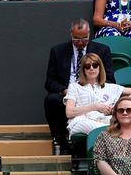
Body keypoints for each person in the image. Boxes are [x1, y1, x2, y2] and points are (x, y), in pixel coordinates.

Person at [44, 20, 115, 149]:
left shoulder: (102, 50)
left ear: (89, 34)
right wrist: (66, 91)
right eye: (77, 39)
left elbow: (110, 79)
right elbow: (50, 82)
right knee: (51, 99)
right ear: (71, 34)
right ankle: (59, 139)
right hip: (68, 93)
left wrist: (93, 89)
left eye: (84, 38)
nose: (81, 42)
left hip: (94, 92)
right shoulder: (57, 51)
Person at [65, 53, 131, 139]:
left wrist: (118, 105)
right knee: (101, 128)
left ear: (100, 68)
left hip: (105, 120)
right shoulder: (74, 87)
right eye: (87, 66)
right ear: (83, 70)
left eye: (95, 65)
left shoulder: (109, 87)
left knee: (118, 124)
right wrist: (94, 107)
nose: (91, 68)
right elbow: (69, 112)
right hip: (81, 121)